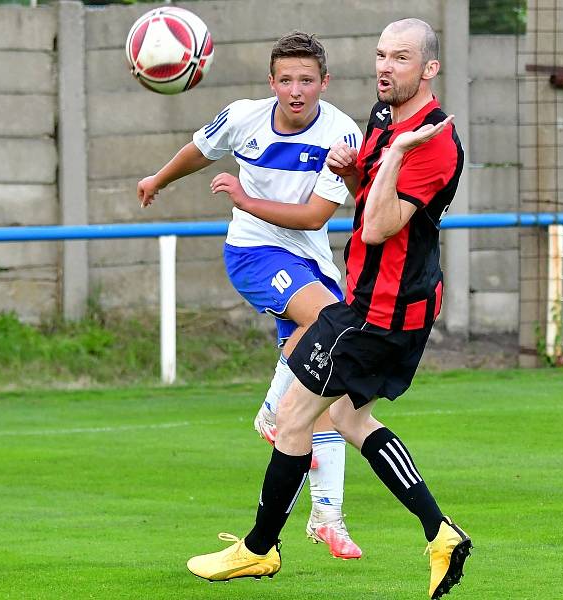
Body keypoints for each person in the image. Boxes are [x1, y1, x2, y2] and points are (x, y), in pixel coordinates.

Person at [185, 18, 472, 600]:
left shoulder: (433, 139)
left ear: (430, 69)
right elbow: (369, 182)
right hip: (377, 303)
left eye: (401, 58)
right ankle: (440, 533)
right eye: (381, 55)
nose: (385, 68)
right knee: (346, 418)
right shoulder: (387, 117)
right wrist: (359, 167)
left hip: (381, 309)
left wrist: (391, 159)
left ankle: (258, 551)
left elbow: (377, 225)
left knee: (292, 418)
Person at [137, 31, 364, 560]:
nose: (296, 90)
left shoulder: (340, 135)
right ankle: (270, 411)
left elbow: (313, 217)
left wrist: (241, 195)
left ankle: (327, 516)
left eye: (307, 80)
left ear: (324, 84)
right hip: (254, 253)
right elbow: (200, 149)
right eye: (286, 80)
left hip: (310, 260)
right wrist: (159, 179)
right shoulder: (245, 115)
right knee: (333, 325)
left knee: (328, 383)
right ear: (272, 83)